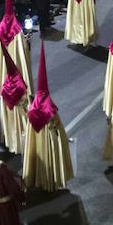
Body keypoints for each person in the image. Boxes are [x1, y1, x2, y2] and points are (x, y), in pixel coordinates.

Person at [23, 41, 74, 191]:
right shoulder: (50, 108)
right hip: (49, 138)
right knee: (51, 155)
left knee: (38, 152)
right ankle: (52, 179)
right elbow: (58, 128)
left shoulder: (32, 109)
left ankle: (38, 177)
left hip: (38, 139)